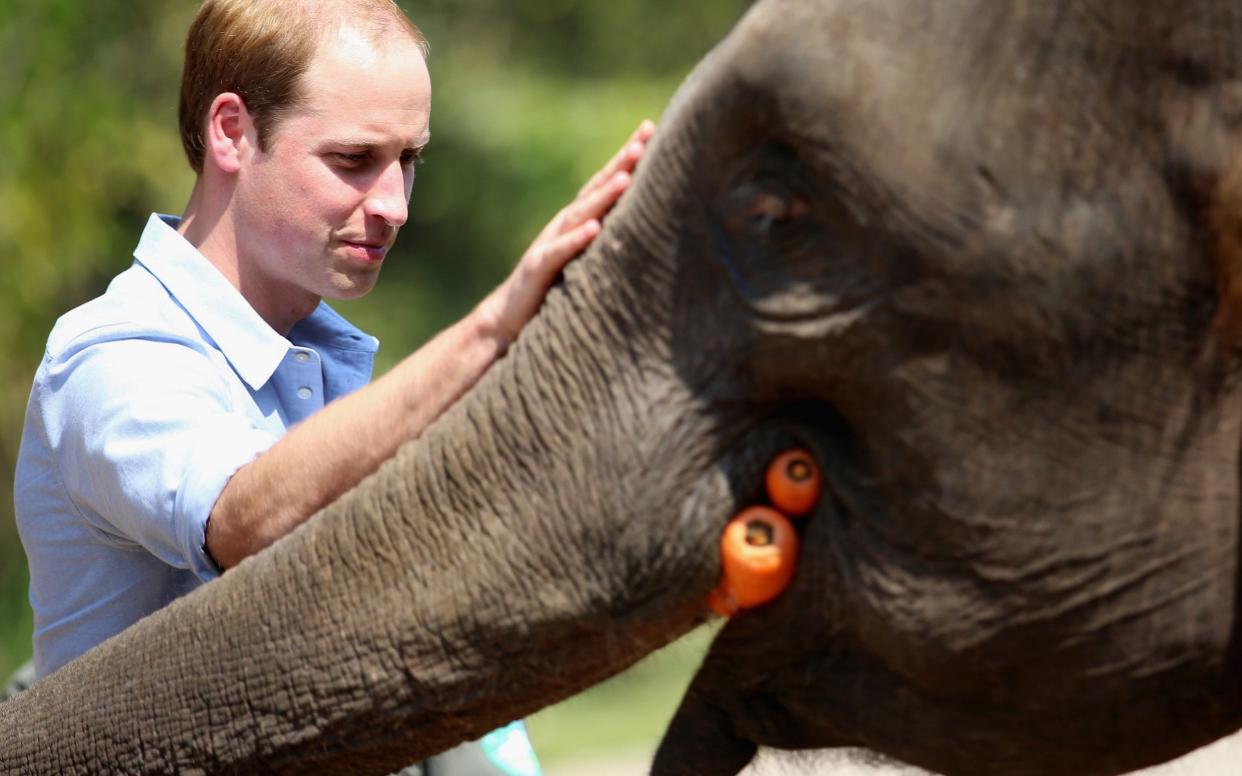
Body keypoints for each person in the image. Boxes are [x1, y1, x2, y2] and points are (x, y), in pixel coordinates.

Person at [10, 0, 653, 772]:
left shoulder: (318, 361)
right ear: (231, 132)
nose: (394, 205)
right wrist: (489, 332)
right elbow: (246, 520)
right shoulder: (112, 353)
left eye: (408, 159)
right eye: (353, 160)